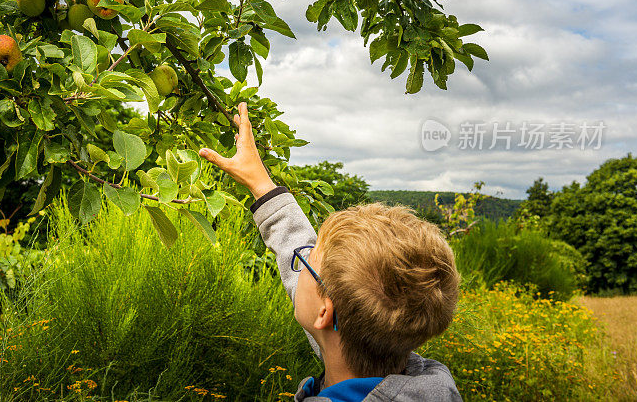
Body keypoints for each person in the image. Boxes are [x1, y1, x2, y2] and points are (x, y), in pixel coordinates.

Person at [198, 102, 462, 402]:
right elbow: (332, 310)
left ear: (326, 312)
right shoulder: (424, 383)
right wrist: (261, 184)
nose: (302, 257)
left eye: (308, 261)